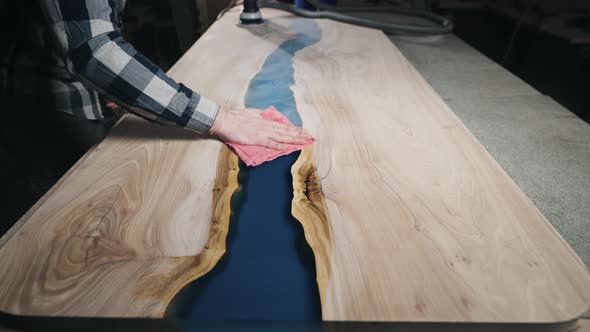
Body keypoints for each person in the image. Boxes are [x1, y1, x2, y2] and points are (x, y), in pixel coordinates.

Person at [39, 0, 311, 149]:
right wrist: (221, 118)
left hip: (96, 98)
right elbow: (94, 51)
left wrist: (121, 88)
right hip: (65, 111)